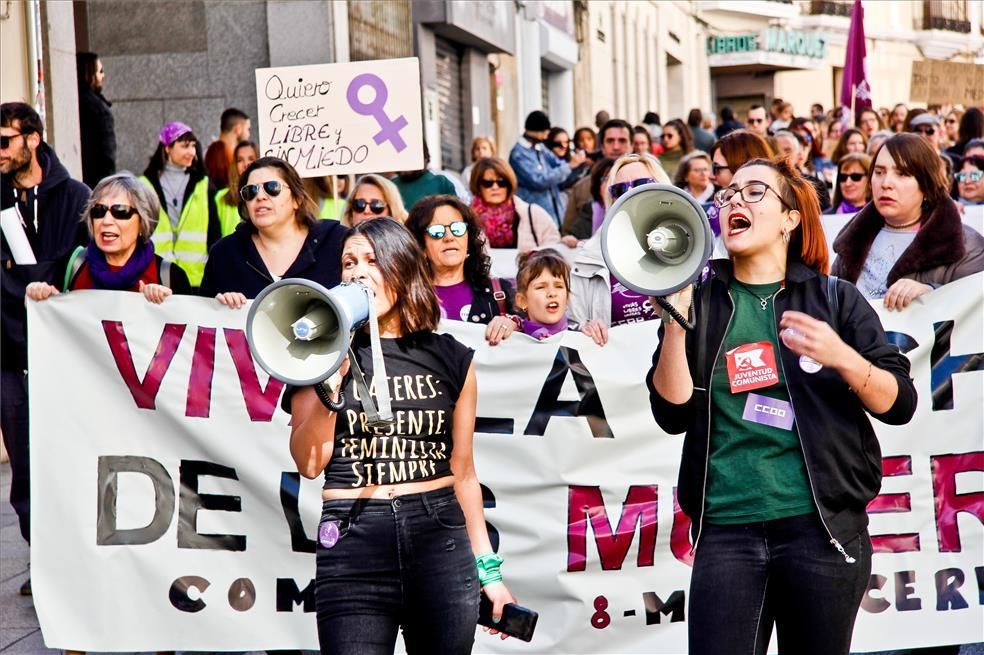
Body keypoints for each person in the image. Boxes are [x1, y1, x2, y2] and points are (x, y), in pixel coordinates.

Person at [649, 154, 916, 655]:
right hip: (727, 529)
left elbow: (899, 403)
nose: (733, 202)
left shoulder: (834, 299)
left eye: (753, 192)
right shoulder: (701, 301)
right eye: (727, 195)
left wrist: (840, 356)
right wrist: (672, 323)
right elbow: (672, 413)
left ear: (790, 219)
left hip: (821, 531)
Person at [285, 217, 516, 654]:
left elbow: (464, 474)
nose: (357, 272)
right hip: (353, 538)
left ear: (402, 266)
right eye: (348, 262)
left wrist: (490, 573)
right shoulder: (314, 354)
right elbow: (310, 463)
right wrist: (328, 378)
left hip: (438, 538)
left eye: (371, 260)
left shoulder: (450, 358)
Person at [1, 103, 89, 595]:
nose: (0, 151)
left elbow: (73, 271)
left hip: (64, 355)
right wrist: (30, 282)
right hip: (9, 356)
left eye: (4, 140)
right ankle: (46, 562)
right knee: (25, 466)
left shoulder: (74, 196)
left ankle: (77, 554)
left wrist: (27, 279)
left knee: (68, 460)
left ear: (32, 139)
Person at [832, 133, 984, 306]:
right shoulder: (852, 241)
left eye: (902, 174)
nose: (886, 183)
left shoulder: (966, 246)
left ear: (927, 185)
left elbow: (973, 313)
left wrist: (931, 293)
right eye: (879, 172)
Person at [198, 156, 348, 303]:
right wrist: (216, 307)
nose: (260, 196)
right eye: (251, 191)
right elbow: (202, 317)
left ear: (297, 199)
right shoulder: (224, 254)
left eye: (272, 187)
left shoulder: (337, 242)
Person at [26, 172, 190, 301]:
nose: (106, 221)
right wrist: (41, 296)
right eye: (99, 211)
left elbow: (189, 337)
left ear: (143, 222)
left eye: (121, 212)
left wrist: (169, 306)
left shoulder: (170, 277)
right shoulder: (72, 265)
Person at [568, 152, 672, 340]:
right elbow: (572, 325)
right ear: (611, 200)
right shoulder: (587, 260)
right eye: (620, 189)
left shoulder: (695, 247)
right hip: (619, 366)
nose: (631, 193)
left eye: (642, 184)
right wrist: (584, 329)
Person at [405, 195, 519, 346]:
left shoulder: (500, 291)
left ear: (469, 239)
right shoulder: (406, 299)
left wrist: (515, 323)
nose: (449, 237)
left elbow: (541, 333)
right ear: (421, 246)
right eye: (436, 231)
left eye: (457, 228)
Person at [140, 121, 220, 288]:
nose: (191, 152)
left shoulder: (203, 185)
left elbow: (214, 233)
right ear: (167, 148)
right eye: (185, 146)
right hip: (157, 276)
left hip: (195, 278)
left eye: (193, 146)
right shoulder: (144, 185)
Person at [468, 156, 569, 253]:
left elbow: (553, 250)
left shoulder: (533, 214)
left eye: (501, 182)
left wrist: (564, 243)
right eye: (487, 183)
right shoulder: (467, 219)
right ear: (478, 186)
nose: (495, 187)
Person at [513, 248, 605, 344]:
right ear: (522, 301)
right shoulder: (511, 339)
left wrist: (595, 333)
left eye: (559, 286)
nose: (552, 293)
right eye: (540, 287)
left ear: (567, 298)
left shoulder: (582, 335)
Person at [509, 110, 585, 225]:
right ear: (535, 131)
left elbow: (559, 165)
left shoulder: (540, 147)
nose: (546, 135)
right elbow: (539, 180)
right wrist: (570, 165)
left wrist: (578, 165)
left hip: (556, 212)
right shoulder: (518, 154)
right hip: (535, 215)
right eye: (544, 131)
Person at [562, 118, 632, 239]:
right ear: (602, 147)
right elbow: (568, 232)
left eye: (622, 141)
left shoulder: (647, 182)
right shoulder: (581, 187)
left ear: (631, 146)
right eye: (610, 141)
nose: (616, 146)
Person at [76, 51, 116, 188]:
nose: (103, 76)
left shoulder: (77, 101)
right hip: (96, 182)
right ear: (89, 74)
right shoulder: (98, 108)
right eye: (100, 71)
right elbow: (106, 155)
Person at [392, 141, 458, 212]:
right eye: (403, 157)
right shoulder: (390, 185)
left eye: (413, 157)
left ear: (425, 159)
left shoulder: (441, 183)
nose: (408, 163)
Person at [774, 130, 831, 211]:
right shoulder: (761, 185)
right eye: (776, 150)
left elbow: (826, 217)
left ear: (797, 154)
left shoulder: (816, 186)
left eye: (787, 150)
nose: (782, 155)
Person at [215, 140, 258, 236]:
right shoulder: (220, 197)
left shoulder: (266, 196)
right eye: (240, 160)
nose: (246, 164)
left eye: (251, 158)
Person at [204, 108, 251, 190]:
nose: (248, 134)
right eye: (247, 129)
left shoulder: (209, 152)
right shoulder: (216, 153)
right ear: (238, 129)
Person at [342, 174, 408, 228]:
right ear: (350, 213)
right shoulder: (337, 243)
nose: (366, 211)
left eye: (376, 205)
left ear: (392, 212)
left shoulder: (406, 243)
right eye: (359, 204)